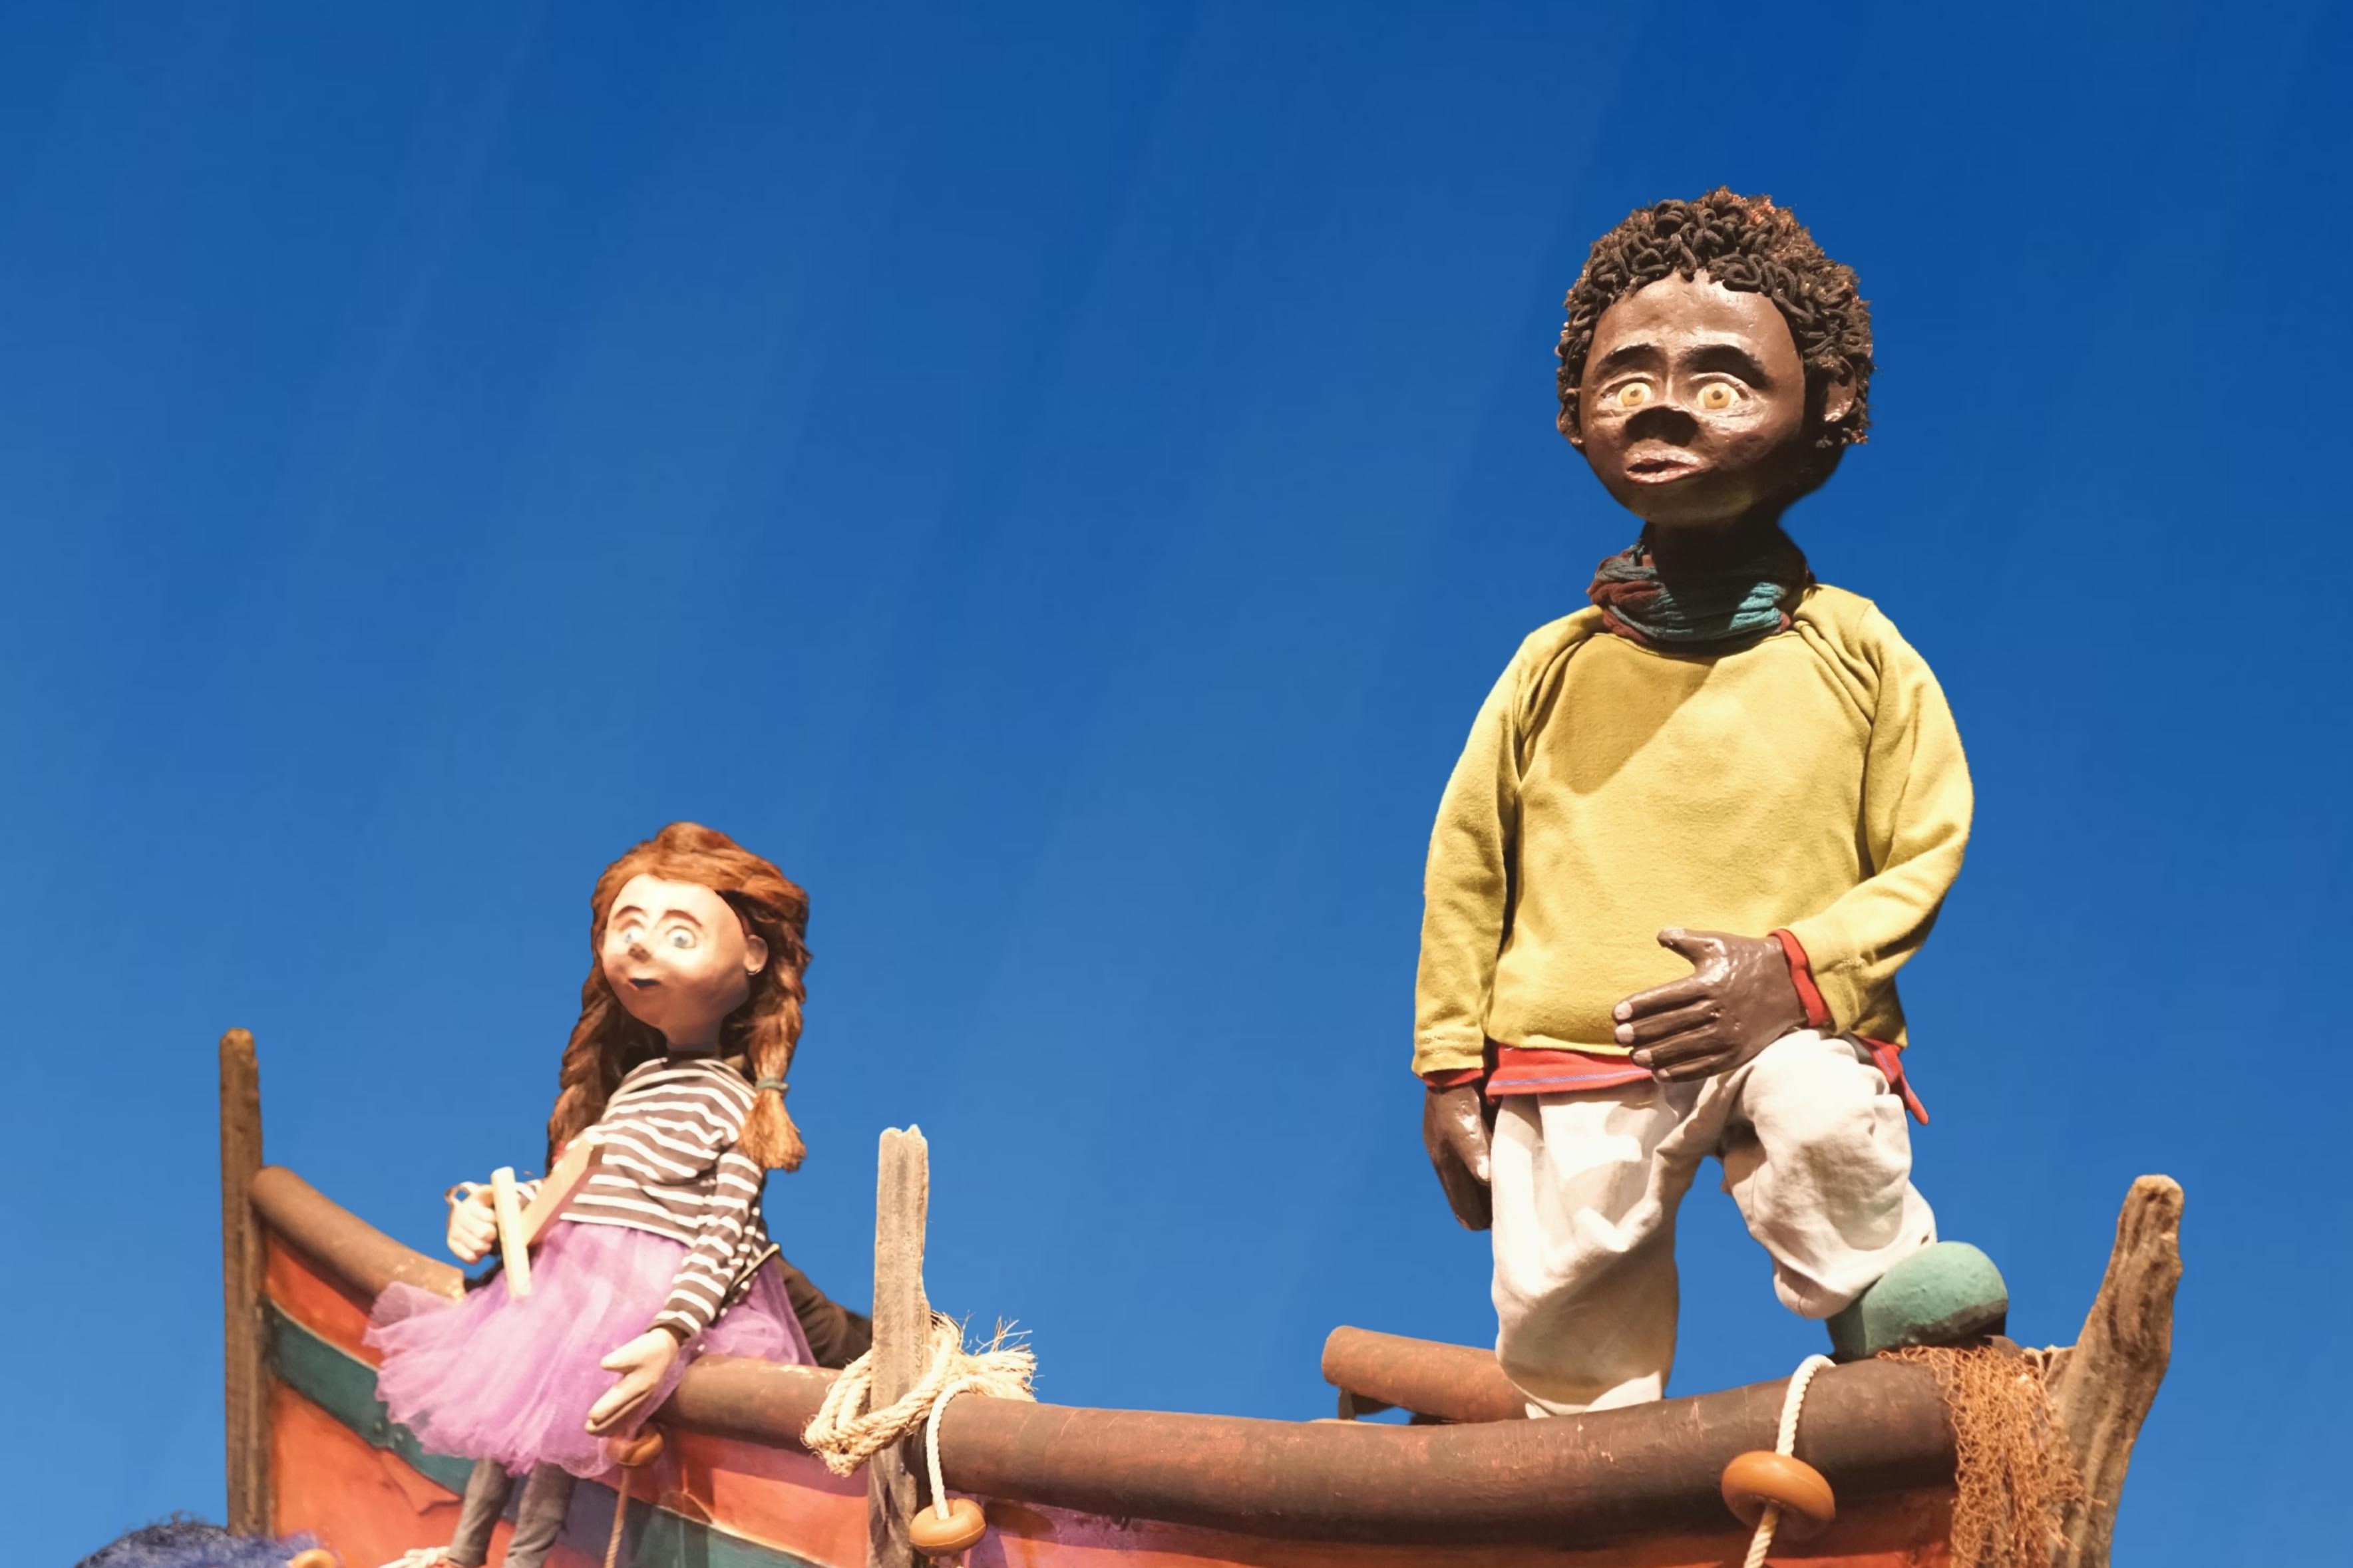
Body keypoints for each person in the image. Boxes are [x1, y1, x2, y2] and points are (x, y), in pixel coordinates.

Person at [1413, 190, 2006, 1418]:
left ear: (1827, 408)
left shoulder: (1858, 652)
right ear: (1574, 411)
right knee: (1564, 1304)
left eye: (1725, 382)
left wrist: (1796, 972)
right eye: (1627, 378)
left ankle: (1890, 1324)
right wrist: (1449, 1066)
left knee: (1823, 1123)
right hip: (1570, 1052)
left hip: (1787, 1026)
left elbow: (1925, 844)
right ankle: (1582, 1475)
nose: (1666, 405)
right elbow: (1470, 864)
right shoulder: (1550, 668)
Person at [369, 823, 822, 1568]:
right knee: (504, 1429)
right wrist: (488, 1207)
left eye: (679, 933)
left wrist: (671, 1331)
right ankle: (463, 1551)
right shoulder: (636, 1083)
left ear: (752, 954)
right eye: (627, 926)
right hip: (565, 1285)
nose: (640, 948)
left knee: (558, 1441)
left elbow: (725, 1231)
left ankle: (524, 1561)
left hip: (632, 1297)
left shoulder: (734, 1102)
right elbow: (583, 1181)